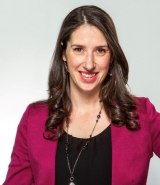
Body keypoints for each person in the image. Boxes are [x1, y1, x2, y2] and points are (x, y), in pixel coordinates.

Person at [3, 5, 160, 185]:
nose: (89, 64)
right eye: (79, 49)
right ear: (64, 53)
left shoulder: (141, 114)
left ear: (111, 56)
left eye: (100, 50)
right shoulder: (34, 119)